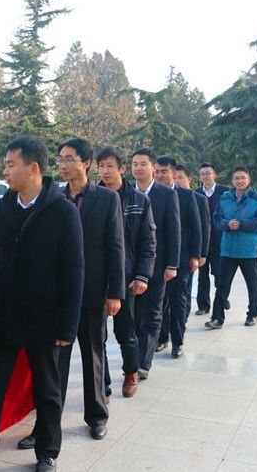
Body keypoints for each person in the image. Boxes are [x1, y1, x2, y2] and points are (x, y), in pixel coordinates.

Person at [0, 136, 83, 472]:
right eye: (5, 165)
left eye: (11, 165)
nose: (5, 171)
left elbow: (73, 272)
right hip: (3, 314)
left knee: (47, 389)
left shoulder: (62, 211)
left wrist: (67, 325)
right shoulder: (2, 207)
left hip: (43, 317)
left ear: (33, 168)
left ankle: (47, 451)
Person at [55, 138, 123, 440]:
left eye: (69, 159)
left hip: (94, 292)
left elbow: (116, 248)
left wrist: (115, 292)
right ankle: (48, 420)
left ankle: (96, 416)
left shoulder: (106, 199)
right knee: (56, 361)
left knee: (93, 355)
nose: (63, 165)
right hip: (59, 295)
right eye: (60, 159)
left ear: (85, 163)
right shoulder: (54, 198)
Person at [97, 146, 156, 398]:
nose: (105, 171)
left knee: (126, 332)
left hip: (125, 278)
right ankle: (102, 384)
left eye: (110, 166)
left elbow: (148, 242)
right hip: (96, 277)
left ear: (122, 168)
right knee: (96, 336)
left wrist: (142, 275)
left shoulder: (138, 200)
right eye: (101, 166)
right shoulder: (93, 197)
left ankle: (131, 373)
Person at [130, 148, 180, 379]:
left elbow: (174, 231)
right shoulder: (125, 192)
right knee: (133, 314)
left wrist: (172, 264)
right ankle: (133, 354)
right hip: (130, 266)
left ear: (153, 168)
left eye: (143, 164)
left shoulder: (167, 194)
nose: (138, 168)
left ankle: (144, 362)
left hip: (158, 266)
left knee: (152, 312)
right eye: (135, 164)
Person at [205, 166, 257, 329]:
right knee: (222, 286)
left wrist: (240, 224)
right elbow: (216, 218)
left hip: (249, 250)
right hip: (228, 250)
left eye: (243, 177)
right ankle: (217, 318)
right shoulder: (224, 198)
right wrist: (227, 224)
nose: (240, 181)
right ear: (232, 180)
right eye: (236, 178)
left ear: (249, 179)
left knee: (252, 285)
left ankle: (252, 314)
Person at [154, 156, 201, 359]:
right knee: (160, 301)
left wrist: (196, 256)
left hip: (180, 258)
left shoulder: (186, 195)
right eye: (156, 171)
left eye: (164, 171)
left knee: (177, 301)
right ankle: (162, 337)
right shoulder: (151, 194)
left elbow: (196, 227)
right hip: (156, 258)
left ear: (174, 173)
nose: (159, 175)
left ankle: (177, 341)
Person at [174, 165, 210, 309]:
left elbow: (204, 228)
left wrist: (202, 254)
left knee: (185, 288)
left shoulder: (199, 199)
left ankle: (184, 315)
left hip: (189, 251)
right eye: (174, 178)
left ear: (189, 179)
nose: (176, 181)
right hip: (173, 251)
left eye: (180, 177)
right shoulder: (168, 196)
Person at [195, 163, 227, 315]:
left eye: (208, 173)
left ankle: (222, 298)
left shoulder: (225, 192)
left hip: (219, 240)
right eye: (202, 174)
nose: (205, 176)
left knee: (219, 273)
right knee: (202, 275)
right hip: (202, 241)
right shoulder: (195, 194)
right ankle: (203, 305)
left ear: (215, 175)